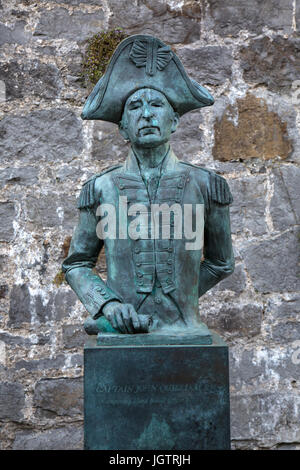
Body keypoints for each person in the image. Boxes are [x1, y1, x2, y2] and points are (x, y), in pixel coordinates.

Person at [62, 34, 235, 335]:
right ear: (122, 128)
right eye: (134, 107)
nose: (146, 114)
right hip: (125, 335)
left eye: (156, 104)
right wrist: (109, 307)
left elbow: (221, 262)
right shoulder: (101, 189)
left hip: (186, 330)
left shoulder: (207, 185)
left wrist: (182, 298)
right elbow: (77, 263)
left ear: (175, 120)